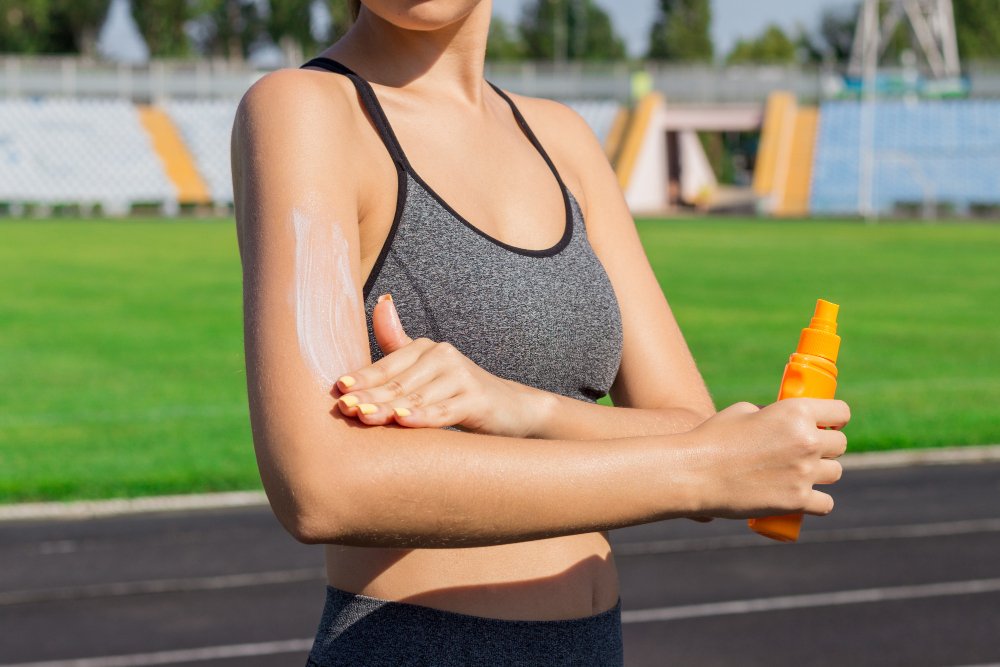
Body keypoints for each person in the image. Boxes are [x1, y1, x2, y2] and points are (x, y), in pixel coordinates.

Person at [230, 1, 851, 664]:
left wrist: (523, 408)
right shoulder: (309, 111)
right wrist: (700, 472)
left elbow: (690, 421)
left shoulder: (563, 139)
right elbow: (323, 482)